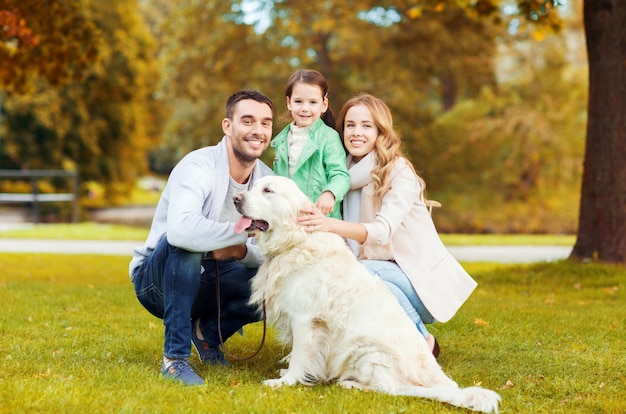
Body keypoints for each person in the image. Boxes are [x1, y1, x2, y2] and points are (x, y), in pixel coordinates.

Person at [298, 93, 477, 358]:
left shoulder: (398, 170)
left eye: (366, 126)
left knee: (361, 274)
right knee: (342, 276)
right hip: (378, 274)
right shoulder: (340, 176)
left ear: (381, 131)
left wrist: (328, 224)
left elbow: (381, 233)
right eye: (350, 125)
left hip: (418, 284)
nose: (356, 132)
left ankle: (422, 341)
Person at [129, 90, 275, 386]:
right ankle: (175, 360)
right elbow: (182, 231)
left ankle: (208, 334)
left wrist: (238, 252)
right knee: (187, 243)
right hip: (157, 282)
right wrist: (234, 236)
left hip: (214, 277)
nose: (258, 131)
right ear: (228, 126)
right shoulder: (198, 166)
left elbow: (272, 249)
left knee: (278, 281)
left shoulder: (267, 182)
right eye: (248, 121)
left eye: (265, 123)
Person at [271, 69, 350, 219]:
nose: (305, 108)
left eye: (313, 102)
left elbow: (340, 174)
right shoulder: (281, 141)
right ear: (289, 103)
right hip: (289, 219)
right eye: (298, 101)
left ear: (323, 104)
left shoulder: (329, 138)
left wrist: (330, 193)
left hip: (321, 220)